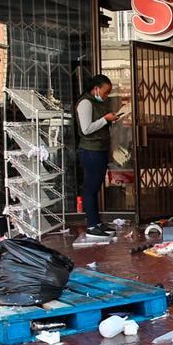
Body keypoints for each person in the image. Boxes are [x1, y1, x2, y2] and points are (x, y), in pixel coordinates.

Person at [75, 74, 118, 238]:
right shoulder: (85, 103)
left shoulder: (95, 102)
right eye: (106, 92)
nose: (106, 96)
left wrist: (108, 119)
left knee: (95, 187)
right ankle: (92, 226)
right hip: (90, 150)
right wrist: (105, 119)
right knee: (90, 188)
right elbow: (86, 129)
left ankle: (97, 223)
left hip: (98, 149)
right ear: (96, 89)